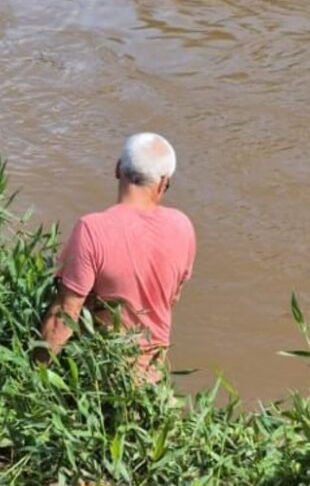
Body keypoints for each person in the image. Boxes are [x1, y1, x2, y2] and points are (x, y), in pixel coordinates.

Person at [39, 133, 196, 375]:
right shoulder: (183, 227)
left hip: (104, 377)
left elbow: (64, 316)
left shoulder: (93, 230)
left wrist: (29, 376)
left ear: (117, 168)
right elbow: (172, 298)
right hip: (154, 380)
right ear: (164, 182)